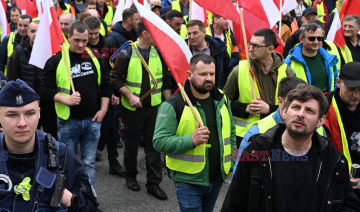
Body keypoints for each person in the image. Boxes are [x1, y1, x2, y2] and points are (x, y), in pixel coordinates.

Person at [0, 79, 99, 212]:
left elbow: (93, 207)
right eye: (12, 115)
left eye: (30, 113)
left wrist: (72, 201)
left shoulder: (63, 156)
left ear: (39, 113)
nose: (22, 123)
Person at [221, 84, 360, 211]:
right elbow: (234, 204)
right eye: (296, 107)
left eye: (309, 111)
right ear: (285, 112)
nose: (300, 114)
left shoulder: (333, 160)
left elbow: (349, 206)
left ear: (321, 121)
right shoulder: (256, 152)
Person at [153, 54, 236, 212]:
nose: (209, 78)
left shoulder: (222, 99)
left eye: (211, 74)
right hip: (188, 182)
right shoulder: (173, 104)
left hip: (217, 178)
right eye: (203, 74)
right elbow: (159, 142)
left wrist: (230, 162)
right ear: (189, 75)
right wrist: (191, 140)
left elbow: (231, 133)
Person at [41, 22, 111, 185]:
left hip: (92, 121)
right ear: (68, 37)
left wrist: (103, 110)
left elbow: (106, 85)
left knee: (89, 164)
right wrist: (65, 99)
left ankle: (89, 200)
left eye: (85, 41)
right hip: (68, 122)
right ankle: (70, 200)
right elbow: (44, 90)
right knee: (67, 164)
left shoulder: (95, 57)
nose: (81, 45)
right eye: (77, 40)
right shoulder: (57, 59)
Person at [110, 22, 172, 200]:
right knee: (131, 146)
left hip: (155, 109)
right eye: (154, 33)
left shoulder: (158, 52)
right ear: (145, 34)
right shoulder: (127, 52)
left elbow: (165, 80)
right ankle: (131, 176)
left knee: (154, 146)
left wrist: (168, 104)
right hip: (133, 110)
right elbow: (114, 78)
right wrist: (129, 96)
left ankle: (154, 184)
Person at [223, 28, 295, 144]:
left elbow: (295, 105)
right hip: (246, 138)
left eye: (255, 46)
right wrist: (245, 108)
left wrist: (269, 109)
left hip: (278, 135)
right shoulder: (239, 70)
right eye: (250, 44)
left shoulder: (287, 72)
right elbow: (223, 103)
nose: (250, 49)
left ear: (270, 49)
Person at [233, 77, 316, 173]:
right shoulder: (257, 132)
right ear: (280, 102)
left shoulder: (316, 128)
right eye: (295, 106)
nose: (300, 114)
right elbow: (240, 175)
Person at [84, 16, 126, 177]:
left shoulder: (107, 45)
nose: (93, 37)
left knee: (110, 128)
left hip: (106, 94)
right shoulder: (81, 46)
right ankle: (88, 159)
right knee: (89, 128)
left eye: (96, 33)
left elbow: (113, 71)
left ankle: (113, 162)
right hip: (87, 94)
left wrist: (114, 92)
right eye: (91, 34)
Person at [324, 62, 360, 195]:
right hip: (335, 183)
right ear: (338, 82)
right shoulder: (324, 108)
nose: (356, 95)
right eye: (351, 89)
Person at [285, 22, 338, 92]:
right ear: (301, 39)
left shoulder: (329, 59)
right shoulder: (289, 63)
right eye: (311, 38)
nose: (316, 42)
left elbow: (335, 83)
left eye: (319, 38)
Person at [187, 20, 232, 88]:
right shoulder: (185, 49)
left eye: (195, 33)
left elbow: (228, 70)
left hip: (216, 91)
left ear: (204, 32)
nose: (191, 37)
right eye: (189, 34)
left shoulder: (219, 47)